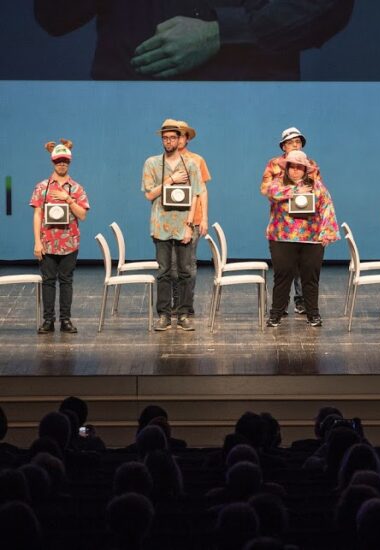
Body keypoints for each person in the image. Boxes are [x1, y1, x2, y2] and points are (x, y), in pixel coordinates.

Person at [33, 0, 355, 80]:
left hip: (246, 110)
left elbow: (327, 6)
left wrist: (222, 32)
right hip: (125, 113)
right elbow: (53, 15)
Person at [262, 150, 339, 328]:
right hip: (282, 238)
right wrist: (296, 190)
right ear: (287, 168)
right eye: (292, 166)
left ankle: (313, 314)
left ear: (305, 169)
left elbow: (327, 207)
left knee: (310, 278)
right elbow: (272, 193)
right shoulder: (277, 183)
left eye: (300, 167)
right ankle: (276, 313)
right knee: (283, 276)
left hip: (311, 239)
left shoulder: (316, 186)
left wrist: (327, 232)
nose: (296, 170)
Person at [142, 119, 204, 331]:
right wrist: (170, 179)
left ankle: (184, 313)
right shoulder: (151, 163)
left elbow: (196, 194)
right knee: (164, 272)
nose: (168, 141)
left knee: (185, 271)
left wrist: (189, 225)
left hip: (183, 225)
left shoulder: (191, 164)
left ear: (180, 140)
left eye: (172, 138)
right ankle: (164, 315)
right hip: (161, 225)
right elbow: (150, 193)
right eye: (165, 138)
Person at [30, 140, 90, 334]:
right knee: (48, 281)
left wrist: (68, 199)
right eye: (58, 161)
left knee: (66, 281)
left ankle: (65, 320)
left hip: (69, 242)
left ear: (69, 162)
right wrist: (37, 242)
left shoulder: (76, 188)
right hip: (47, 243)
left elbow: (82, 215)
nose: (62, 164)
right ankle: (48, 321)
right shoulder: (42, 187)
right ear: (53, 162)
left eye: (65, 160)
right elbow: (37, 214)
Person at [261, 127, 321, 316]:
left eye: (298, 142)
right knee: (284, 270)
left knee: (305, 270)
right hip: (283, 226)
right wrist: (292, 190)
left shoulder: (310, 164)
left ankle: (302, 302)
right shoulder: (274, 164)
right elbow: (265, 189)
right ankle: (281, 306)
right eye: (291, 142)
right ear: (284, 146)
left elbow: (317, 191)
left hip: (306, 227)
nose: (296, 144)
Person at [171, 120, 212, 317]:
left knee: (188, 263)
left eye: (181, 134)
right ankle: (175, 302)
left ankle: (186, 304)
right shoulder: (164, 161)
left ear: (187, 138)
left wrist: (204, 217)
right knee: (171, 264)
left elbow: (202, 190)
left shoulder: (197, 160)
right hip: (169, 219)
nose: (178, 138)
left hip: (192, 218)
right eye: (175, 134)